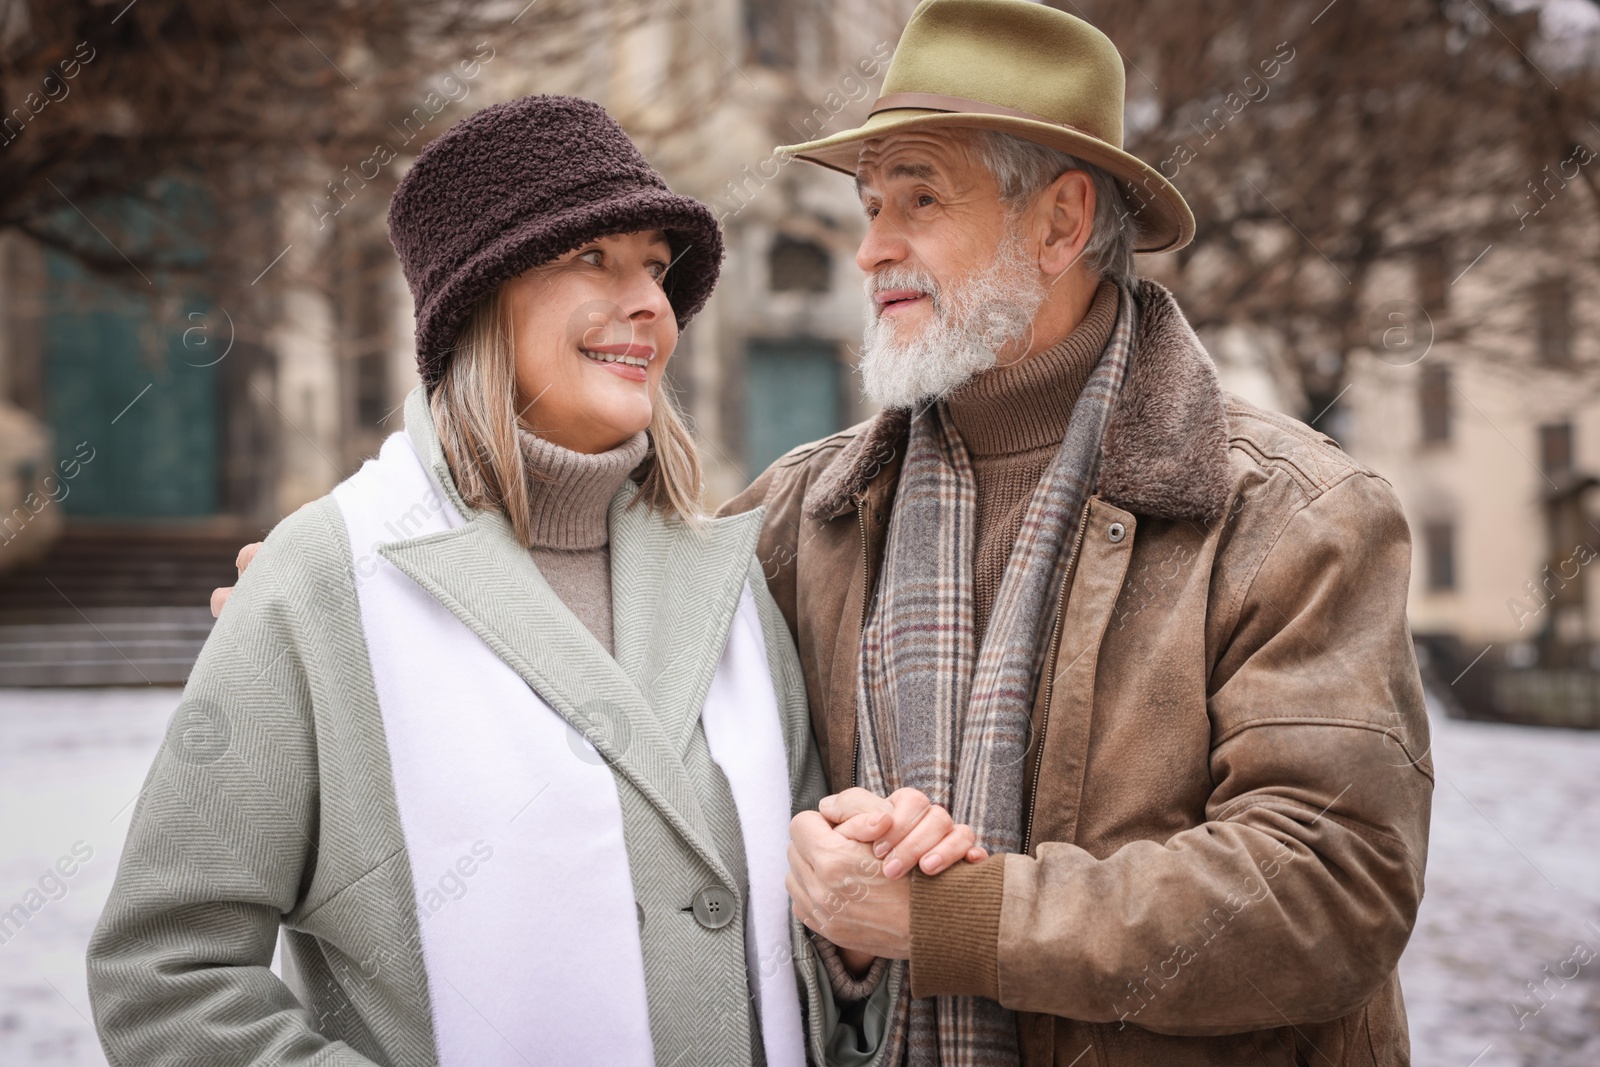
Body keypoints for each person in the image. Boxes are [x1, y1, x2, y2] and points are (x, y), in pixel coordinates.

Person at [87, 95, 982, 1067]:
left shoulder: (730, 579)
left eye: (652, 264)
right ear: (479, 299)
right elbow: (167, 973)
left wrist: (848, 925)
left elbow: (797, 950)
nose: (648, 300)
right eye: (590, 258)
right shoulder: (321, 580)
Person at [734, 1, 1433, 1065]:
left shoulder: (1290, 512)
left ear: (1060, 224)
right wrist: (830, 883)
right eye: (870, 204)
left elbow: (1326, 889)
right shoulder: (795, 515)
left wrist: (953, 916)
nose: (869, 248)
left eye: (918, 197)